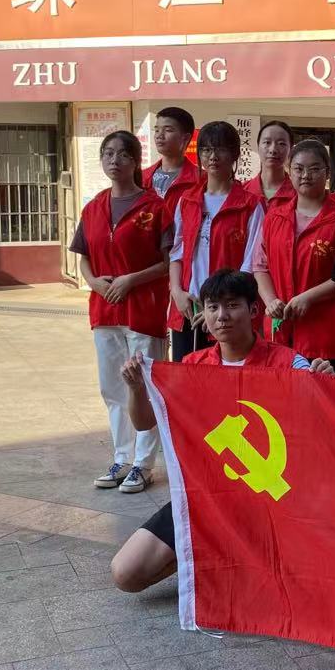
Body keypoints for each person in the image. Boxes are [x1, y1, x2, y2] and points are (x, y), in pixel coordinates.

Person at [110, 270, 334, 595]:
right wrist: (135, 389)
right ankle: (208, 559)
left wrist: (324, 383)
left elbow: (323, 424)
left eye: (232, 305)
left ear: (253, 310)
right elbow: (144, 423)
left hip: (269, 500)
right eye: (213, 307)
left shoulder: (288, 363)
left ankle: (243, 557)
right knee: (126, 573)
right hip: (205, 497)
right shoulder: (191, 367)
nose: (222, 316)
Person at [71, 130, 171, 493]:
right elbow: (83, 256)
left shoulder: (155, 208)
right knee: (112, 387)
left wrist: (131, 280)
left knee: (144, 385)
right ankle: (122, 457)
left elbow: (168, 263)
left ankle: (144, 464)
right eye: (108, 153)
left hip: (143, 310)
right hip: (105, 310)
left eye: (123, 154)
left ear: (136, 161)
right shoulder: (93, 208)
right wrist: (94, 283)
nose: (115, 160)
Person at [255, 139, 335, 377]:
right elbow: (260, 266)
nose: (305, 175)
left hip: (327, 335)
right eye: (298, 169)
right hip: (280, 331)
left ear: (327, 172)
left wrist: (308, 297)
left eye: (314, 169)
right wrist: (271, 301)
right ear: (289, 171)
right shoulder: (274, 217)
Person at [167, 121, 265, 361]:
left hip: (227, 312)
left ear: (235, 154)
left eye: (221, 149)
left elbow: (250, 263)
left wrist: (217, 305)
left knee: (225, 376)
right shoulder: (187, 201)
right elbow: (176, 253)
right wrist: (177, 292)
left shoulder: (250, 205)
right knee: (186, 375)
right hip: (188, 308)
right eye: (206, 149)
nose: (213, 156)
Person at [141, 107, 200, 221]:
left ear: (186, 138)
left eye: (168, 130)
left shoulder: (200, 180)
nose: (159, 135)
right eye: (157, 130)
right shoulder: (142, 178)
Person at [244, 120, 297, 206]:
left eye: (281, 144)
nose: (273, 150)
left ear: (290, 150)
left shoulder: (299, 194)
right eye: (267, 142)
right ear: (258, 146)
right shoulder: (241, 192)